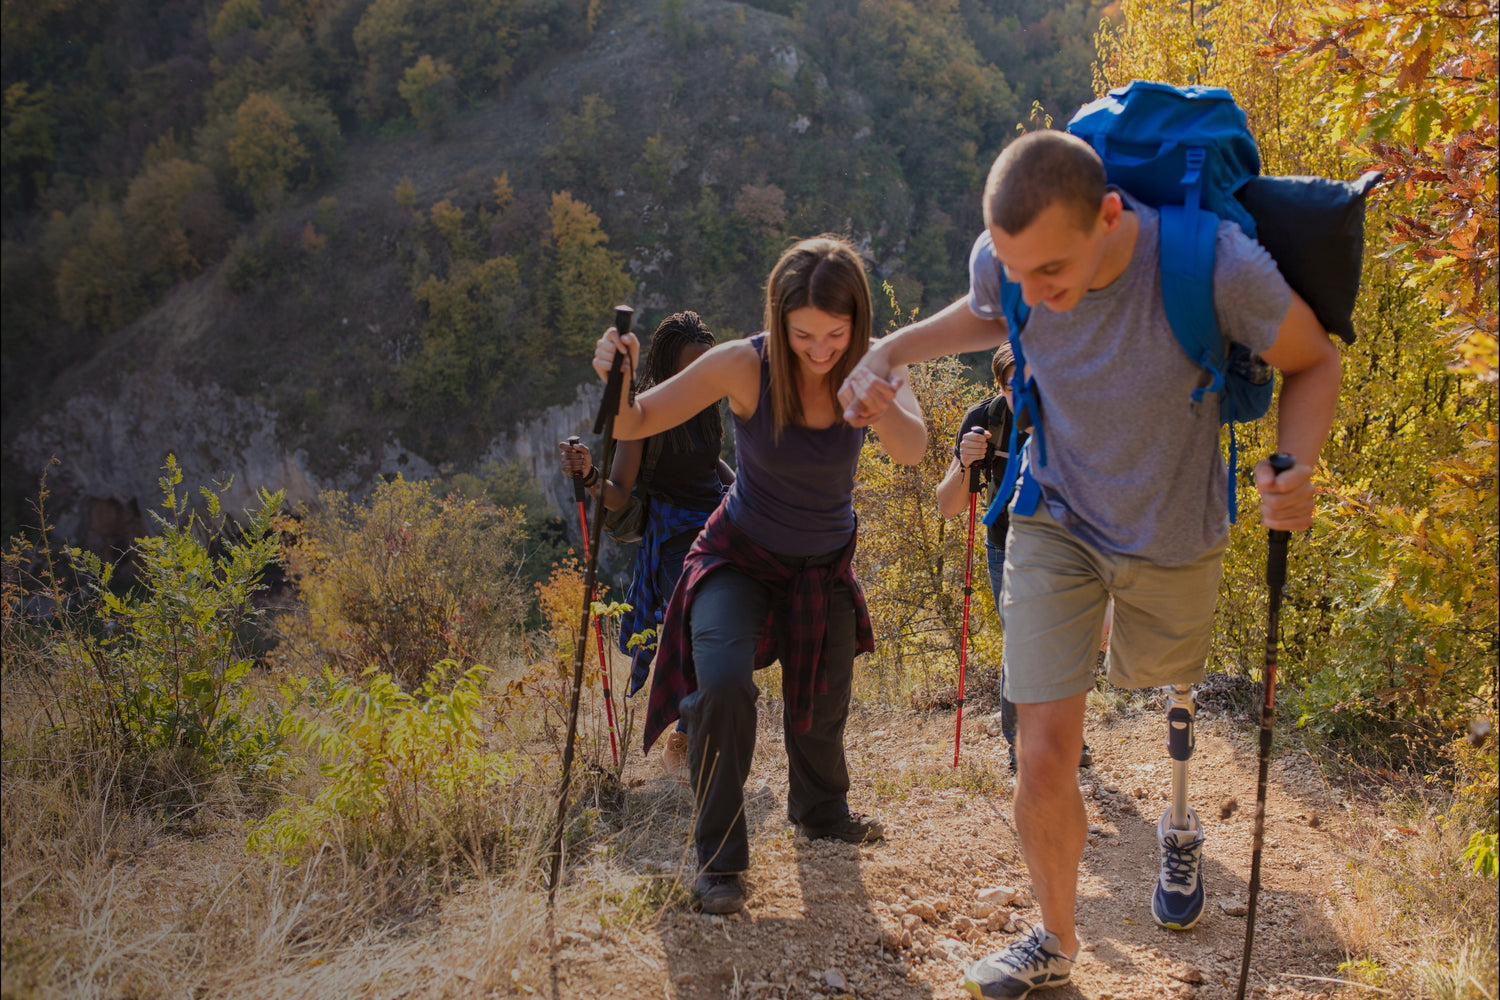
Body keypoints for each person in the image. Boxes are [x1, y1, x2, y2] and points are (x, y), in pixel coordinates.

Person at [839, 131, 1341, 998]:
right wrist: (890, 353)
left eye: (1052, 274)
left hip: (1172, 533)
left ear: (1110, 215)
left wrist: (1295, 466)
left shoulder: (1214, 264)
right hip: (1053, 516)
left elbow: (1313, 357)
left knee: (1168, 680)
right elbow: (985, 311)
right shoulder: (1011, 270)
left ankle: (1178, 821)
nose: (1032, 298)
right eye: (1016, 272)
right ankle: (1056, 937)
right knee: (1042, 751)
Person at [590, 235, 928, 916]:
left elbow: (913, 450)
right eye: (803, 333)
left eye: (837, 333)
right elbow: (636, 418)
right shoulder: (743, 366)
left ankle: (821, 810)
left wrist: (879, 394)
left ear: (857, 320)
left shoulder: (877, 362)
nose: (821, 349)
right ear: (777, 319)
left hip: (823, 563)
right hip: (738, 558)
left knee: (825, 700)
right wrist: (617, 373)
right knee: (720, 689)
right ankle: (719, 860)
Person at [558, 311, 734, 777]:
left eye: (706, 366)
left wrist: (751, 493)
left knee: (734, 627)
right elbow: (618, 491)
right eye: (691, 368)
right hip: (676, 539)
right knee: (701, 633)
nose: (700, 377)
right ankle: (684, 738)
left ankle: (697, 730)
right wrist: (591, 474)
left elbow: (712, 465)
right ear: (669, 366)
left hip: (720, 522)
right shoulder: (645, 409)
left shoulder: (708, 404)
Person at [934, 346, 1095, 774]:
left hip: (1066, 545)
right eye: (1012, 388)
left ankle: (1065, 734)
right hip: (1006, 544)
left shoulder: (1071, 413)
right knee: (1022, 645)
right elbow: (947, 505)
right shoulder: (984, 422)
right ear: (998, 386)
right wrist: (965, 464)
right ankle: (1021, 748)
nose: (1024, 396)